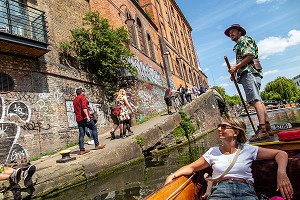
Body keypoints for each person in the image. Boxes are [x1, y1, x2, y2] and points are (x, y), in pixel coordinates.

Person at [165, 116, 294, 200]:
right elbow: (191, 167)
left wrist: (281, 174)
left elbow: (281, 154)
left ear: (236, 132)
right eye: (219, 126)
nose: (219, 129)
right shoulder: (212, 152)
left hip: (246, 191)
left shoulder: (248, 149)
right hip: (221, 191)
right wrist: (172, 175)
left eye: (224, 126)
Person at [225, 24, 276, 142]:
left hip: (249, 73)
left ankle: (262, 130)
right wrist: (235, 72)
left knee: (254, 100)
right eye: (229, 33)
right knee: (258, 100)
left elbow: (249, 55)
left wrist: (236, 67)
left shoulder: (244, 40)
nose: (230, 34)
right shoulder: (241, 43)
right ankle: (267, 128)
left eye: (233, 32)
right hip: (252, 72)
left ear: (239, 32)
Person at [73, 88, 106, 155]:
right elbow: (84, 107)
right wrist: (87, 116)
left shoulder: (75, 100)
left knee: (81, 134)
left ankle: (82, 150)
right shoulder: (82, 97)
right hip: (84, 117)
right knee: (94, 128)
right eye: (83, 91)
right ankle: (97, 145)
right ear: (82, 92)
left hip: (79, 119)